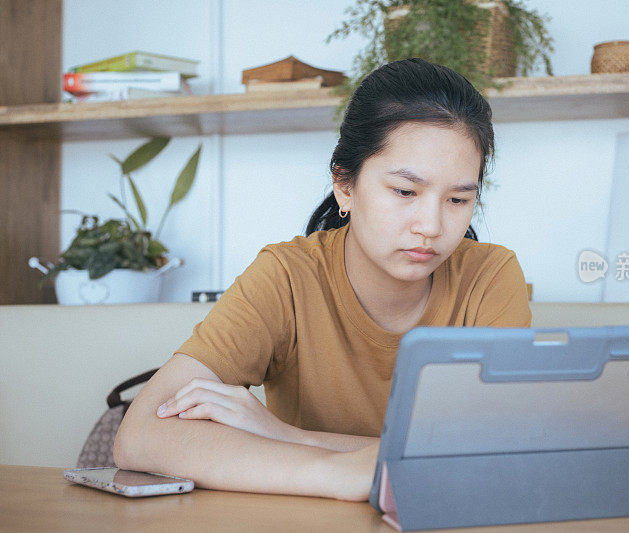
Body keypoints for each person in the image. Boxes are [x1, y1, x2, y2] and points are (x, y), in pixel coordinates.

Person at [113, 58, 532, 502]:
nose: (430, 225)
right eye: (405, 192)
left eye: (458, 198)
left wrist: (288, 436)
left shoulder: (490, 277)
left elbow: (492, 459)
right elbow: (140, 434)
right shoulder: (287, 276)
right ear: (345, 185)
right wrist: (343, 474)